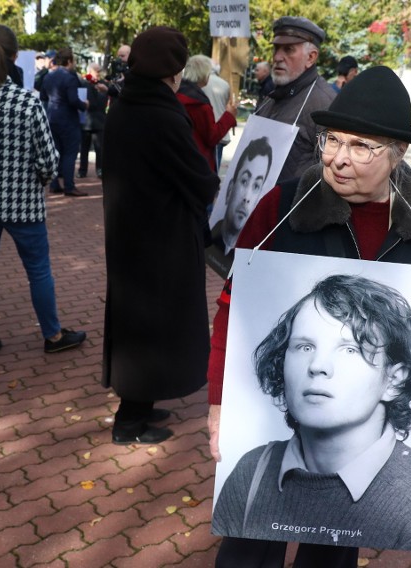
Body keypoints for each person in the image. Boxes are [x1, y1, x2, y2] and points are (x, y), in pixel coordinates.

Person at [206, 66, 411, 567]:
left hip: (357, 466)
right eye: (332, 140)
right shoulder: (282, 208)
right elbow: (233, 307)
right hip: (271, 439)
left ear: (398, 154)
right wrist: (220, 401)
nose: (338, 159)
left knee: (331, 553)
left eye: (361, 146)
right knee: (247, 545)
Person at [213, 274, 411, 550]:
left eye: (351, 349)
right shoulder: (253, 469)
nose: (318, 365)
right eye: (304, 347)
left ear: (393, 379)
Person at [102, 26, 220, 445]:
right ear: (170, 72)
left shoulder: (125, 104)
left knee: (141, 326)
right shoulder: (162, 114)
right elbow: (201, 181)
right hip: (160, 243)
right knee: (152, 330)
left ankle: (142, 404)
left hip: (132, 237)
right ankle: (129, 421)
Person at [0, 24, 87, 364]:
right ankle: (52, 335)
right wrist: (33, 178)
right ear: (13, 57)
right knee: (38, 270)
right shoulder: (26, 101)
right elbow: (49, 160)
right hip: (22, 203)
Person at [254, 16, 335, 182]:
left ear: (311, 57)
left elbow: (333, 176)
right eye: (276, 49)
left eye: (288, 49)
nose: (277, 57)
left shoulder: (326, 105)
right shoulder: (271, 99)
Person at [207, 136, 273, 276]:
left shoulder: (251, 253)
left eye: (256, 186)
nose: (246, 198)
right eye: (244, 181)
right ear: (230, 188)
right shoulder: (210, 236)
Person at [40, 47, 89, 197]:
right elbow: (73, 100)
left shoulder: (49, 76)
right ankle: (69, 186)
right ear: (69, 61)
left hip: (52, 117)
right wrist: (84, 105)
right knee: (70, 153)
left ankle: (54, 184)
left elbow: (43, 95)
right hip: (67, 119)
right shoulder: (69, 77)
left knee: (56, 152)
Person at [177, 54, 237, 172]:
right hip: (196, 163)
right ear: (204, 75)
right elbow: (212, 137)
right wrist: (229, 115)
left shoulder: (177, 92)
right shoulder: (199, 104)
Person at [78, 63, 107, 178]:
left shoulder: (103, 85)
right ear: (90, 72)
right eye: (96, 71)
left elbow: (102, 103)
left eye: (99, 71)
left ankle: (99, 169)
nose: (98, 74)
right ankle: (82, 170)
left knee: (99, 148)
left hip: (98, 120)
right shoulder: (84, 84)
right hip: (87, 120)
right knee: (84, 148)